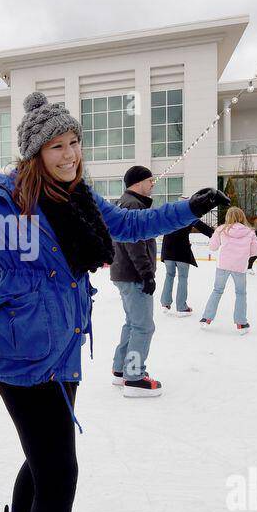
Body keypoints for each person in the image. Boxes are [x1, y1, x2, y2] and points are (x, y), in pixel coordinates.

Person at [0, 92, 230, 512]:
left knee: (48, 451)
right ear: (35, 154)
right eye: (57, 146)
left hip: (64, 342)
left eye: (74, 142)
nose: (70, 155)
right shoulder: (3, 198)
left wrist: (189, 208)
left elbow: (130, 224)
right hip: (19, 349)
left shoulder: (79, 197)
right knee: (60, 472)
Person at [109, 166, 162, 397]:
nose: (153, 185)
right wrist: (146, 273)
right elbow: (134, 242)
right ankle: (134, 376)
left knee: (132, 323)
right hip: (133, 274)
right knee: (143, 326)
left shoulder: (125, 202)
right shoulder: (133, 205)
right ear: (139, 182)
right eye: (151, 180)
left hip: (123, 272)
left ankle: (121, 369)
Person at [199, 206, 257, 335]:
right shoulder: (249, 232)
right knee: (241, 293)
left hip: (223, 265)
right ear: (241, 216)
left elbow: (213, 247)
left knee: (217, 290)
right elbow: (256, 250)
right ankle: (241, 322)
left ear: (228, 216)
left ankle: (206, 318)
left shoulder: (221, 230)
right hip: (240, 266)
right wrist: (243, 254)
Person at [159, 195, 214, 316]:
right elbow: (205, 229)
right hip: (181, 251)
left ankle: (165, 303)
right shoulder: (189, 216)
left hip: (167, 251)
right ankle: (181, 307)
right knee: (182, 278)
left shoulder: (169, 214)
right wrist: (217, 235)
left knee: (169, 275)